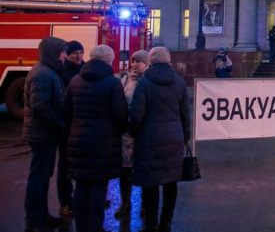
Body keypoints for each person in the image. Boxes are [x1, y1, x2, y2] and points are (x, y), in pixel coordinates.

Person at [63, 45, 129, 232]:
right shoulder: (112, 83)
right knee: (99, 189)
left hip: (78, 143)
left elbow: (66, 112)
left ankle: (81, 227)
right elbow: (120, 115)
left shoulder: (75, 81)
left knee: (81, 187)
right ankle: (95, 228)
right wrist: (121, 129)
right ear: (109, 60)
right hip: (103, 145)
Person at [130, 47, 192, 232]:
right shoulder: (179, 82)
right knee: (171, 181)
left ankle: (151, 225)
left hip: (149, 138)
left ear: (150, 61)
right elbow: (185, 113)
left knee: (151, 183)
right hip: (174, 137)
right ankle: (167, 222)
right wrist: (186, 136)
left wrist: (133, 132)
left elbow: (137, 113)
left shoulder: (144, 83)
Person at [22, 36, 67, 232]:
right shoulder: (42, 73)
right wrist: (59, 126)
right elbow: (41, 108)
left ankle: (42, 215)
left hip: (46, 134)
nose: (65, 55)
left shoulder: (49, 71)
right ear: (53, 52)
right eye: (63, 51)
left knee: (43, 176)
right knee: (38, 177)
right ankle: (33, 221)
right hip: (42, 135)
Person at [115, 50, 149, 220]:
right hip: (127, 132)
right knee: (125, 169)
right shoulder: (125, 79)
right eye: (133, 61)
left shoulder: (149, 81)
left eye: (138, 61)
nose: (134, 64)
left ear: (147, 63)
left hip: (144, 132)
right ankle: (125, 202)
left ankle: (144, 204)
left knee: (143, 169)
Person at [57, 40, 85, 217]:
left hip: (82, 124)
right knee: (65, 165)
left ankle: (83, 197)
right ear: (68, 54)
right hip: (68, 125)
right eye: (75, 52)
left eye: (81, 52)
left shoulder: (86, 69)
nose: (78, 55)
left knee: (84, 163)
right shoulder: (62, 72)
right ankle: (66, 201)